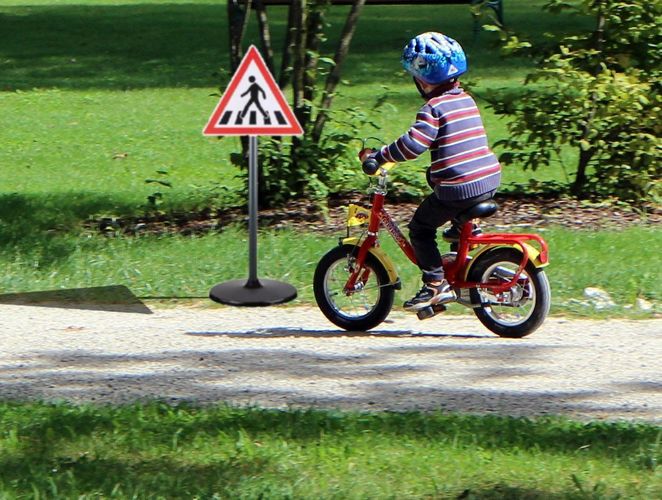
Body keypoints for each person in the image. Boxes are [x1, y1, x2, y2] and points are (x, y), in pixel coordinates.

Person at [360, 32, 501, 311]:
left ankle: (435, 284)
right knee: (438, 181)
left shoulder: (433, 108)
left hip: (459, 189)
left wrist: (381, 155)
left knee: (421, 229)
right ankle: (461, 232)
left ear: (421, 79)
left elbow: (413, 145)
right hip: (488, 179)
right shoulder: (466, 100)